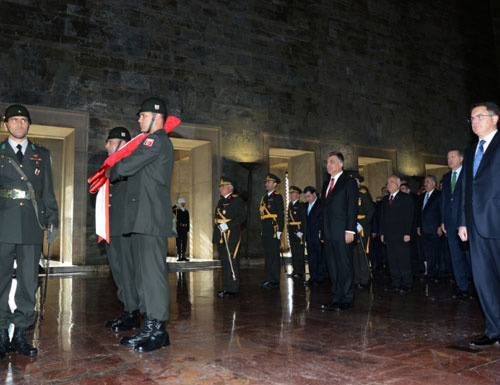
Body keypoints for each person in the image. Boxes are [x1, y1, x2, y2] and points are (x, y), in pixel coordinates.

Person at [107, 97, 175, 353]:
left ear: (157, 116)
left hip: (150, 218)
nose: (138, 120)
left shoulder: (155, 140)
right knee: (143, 277)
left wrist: (114, 166)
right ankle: (151, 325)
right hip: (143, 217)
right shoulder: (152, 141)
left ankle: (158, 329)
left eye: (142, 115)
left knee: (152, 276)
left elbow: (125, 166)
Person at [0, 104, 59, 358]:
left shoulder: (41, 155)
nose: (19, 124)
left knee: (28, 282)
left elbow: (47, 190)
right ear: (6, 125)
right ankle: (1, 333)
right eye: (14, 120)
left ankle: (22, 333)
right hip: (3, 225)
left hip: (32, 225)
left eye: (24, 120)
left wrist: (53, 219)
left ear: (29, 124)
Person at [458, 101, 500, 346]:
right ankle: (494, 330)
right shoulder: (471, 150)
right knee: (483, 280)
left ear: (495, 119)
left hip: (497, 220)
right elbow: (466, 189)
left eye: (480, 116)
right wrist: (463, 222)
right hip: (475, 225)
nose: (475, 122)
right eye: (472, 118)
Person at [103, 127, 141, 333]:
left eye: (110, 141)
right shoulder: (110, 165)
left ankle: (133, 312)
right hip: (112, 227)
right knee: (118, 269)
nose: (106, 145)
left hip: (125, 227)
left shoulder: (128, 165)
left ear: (121, 143)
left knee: (126, 270)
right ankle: (128, 309)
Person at [319, 152, 358, 311]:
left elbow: (352, 207)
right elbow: (324, 210)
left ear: (341, 164)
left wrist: (350, 230)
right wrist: (322, 230)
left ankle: (347, 298)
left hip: (343, 231)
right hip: (328, 232)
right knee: (333, 266)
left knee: (344, 265)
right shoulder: (326, 184)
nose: (328, 165)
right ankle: (336, 297)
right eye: (327, 162)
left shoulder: (348, 182)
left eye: (332, 162)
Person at [441, 149, 472, 298]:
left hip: (465, 222)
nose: (450, 160)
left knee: (470, 255)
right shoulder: (446, 177)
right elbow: (444, 201)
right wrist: (443, 221)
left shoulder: (469, 173)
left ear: (461, 158)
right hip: (449, 222)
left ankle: (476, 287)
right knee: (455, 256)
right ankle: (462, 287)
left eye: (453, 156)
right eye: (448, 157)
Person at [380, 175, 414, 293]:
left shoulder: (406, 198)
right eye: (388, 182)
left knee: (403, 259)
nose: (388, 184)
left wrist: (407, 233)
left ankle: (407, 283)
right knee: (392, 260)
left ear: (398, 185)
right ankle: (395, 283)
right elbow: (382, 218)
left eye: (391, 182)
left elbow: (409, 217)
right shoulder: (385, 200)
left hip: (402, 234)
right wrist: (382, 233)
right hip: (389, 235)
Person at [213, 177, 246, 297]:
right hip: (221, 235)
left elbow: (241, 217)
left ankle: (233, 288)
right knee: (225, 262)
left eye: (223, 186)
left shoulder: (237, 200)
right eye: (220, 186)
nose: (220, 188)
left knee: (232, 261)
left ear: (229, 188)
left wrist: (227, 225)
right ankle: (226, 287)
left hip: (231, 235)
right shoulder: (220, 202)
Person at [348, 172, 375, 289]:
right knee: (353, 253)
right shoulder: (348, 195)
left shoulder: (363, 194)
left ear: (358, 183)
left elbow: (371, 211)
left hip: (362, 228)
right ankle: (356, 278)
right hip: (351, 227)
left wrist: (361, 224)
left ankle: (364, 279)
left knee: (362, 252)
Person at [259, 173, 284, 289]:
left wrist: (280, 230)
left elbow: (280, 215)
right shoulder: (264, 198)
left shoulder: (278, 197)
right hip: (266, 229)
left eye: (268, 182)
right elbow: (262, 216)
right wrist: (262, 229)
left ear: (274, 184)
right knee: (268, 255)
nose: (266, 184)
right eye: (266, 182)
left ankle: (275, 280)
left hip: (274, 229)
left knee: (274, 255)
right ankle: (269, 278)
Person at [417, 175, 442, 282]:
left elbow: (442, 211)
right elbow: (419, 213)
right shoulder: (422, 196)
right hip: (424, 229)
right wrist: (418, 226)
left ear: (433, 183)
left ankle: (437, 274)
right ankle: (430, 273)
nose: (425, 184)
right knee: (427, 252)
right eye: (425, 181)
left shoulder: (439, 195)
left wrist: (441, 225)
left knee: (436, 252)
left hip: (435, 229)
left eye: (427, 182)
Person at [303, 186, 326, 286]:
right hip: (309, 235)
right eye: (306, 197)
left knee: (320, 256)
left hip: (318, 234)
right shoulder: (305, 205)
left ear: (314, 194)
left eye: (309, 196)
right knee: (311, 256)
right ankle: (313, 277)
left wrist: (322, 232)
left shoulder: (321, 204)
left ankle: (320, 277)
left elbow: (324, 219)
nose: (308, 199)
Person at [287, 186, 306, 278]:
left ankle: (300, 271)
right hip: (291, 231)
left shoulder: (301, 205)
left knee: (299, 251)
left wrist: (301, 232)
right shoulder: (290, 204)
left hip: (298, 231)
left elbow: (304, 220)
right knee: (293, 251)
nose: (291, 195)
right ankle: (295, 269)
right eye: (290, 193)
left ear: (298, 195)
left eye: (293, 193)